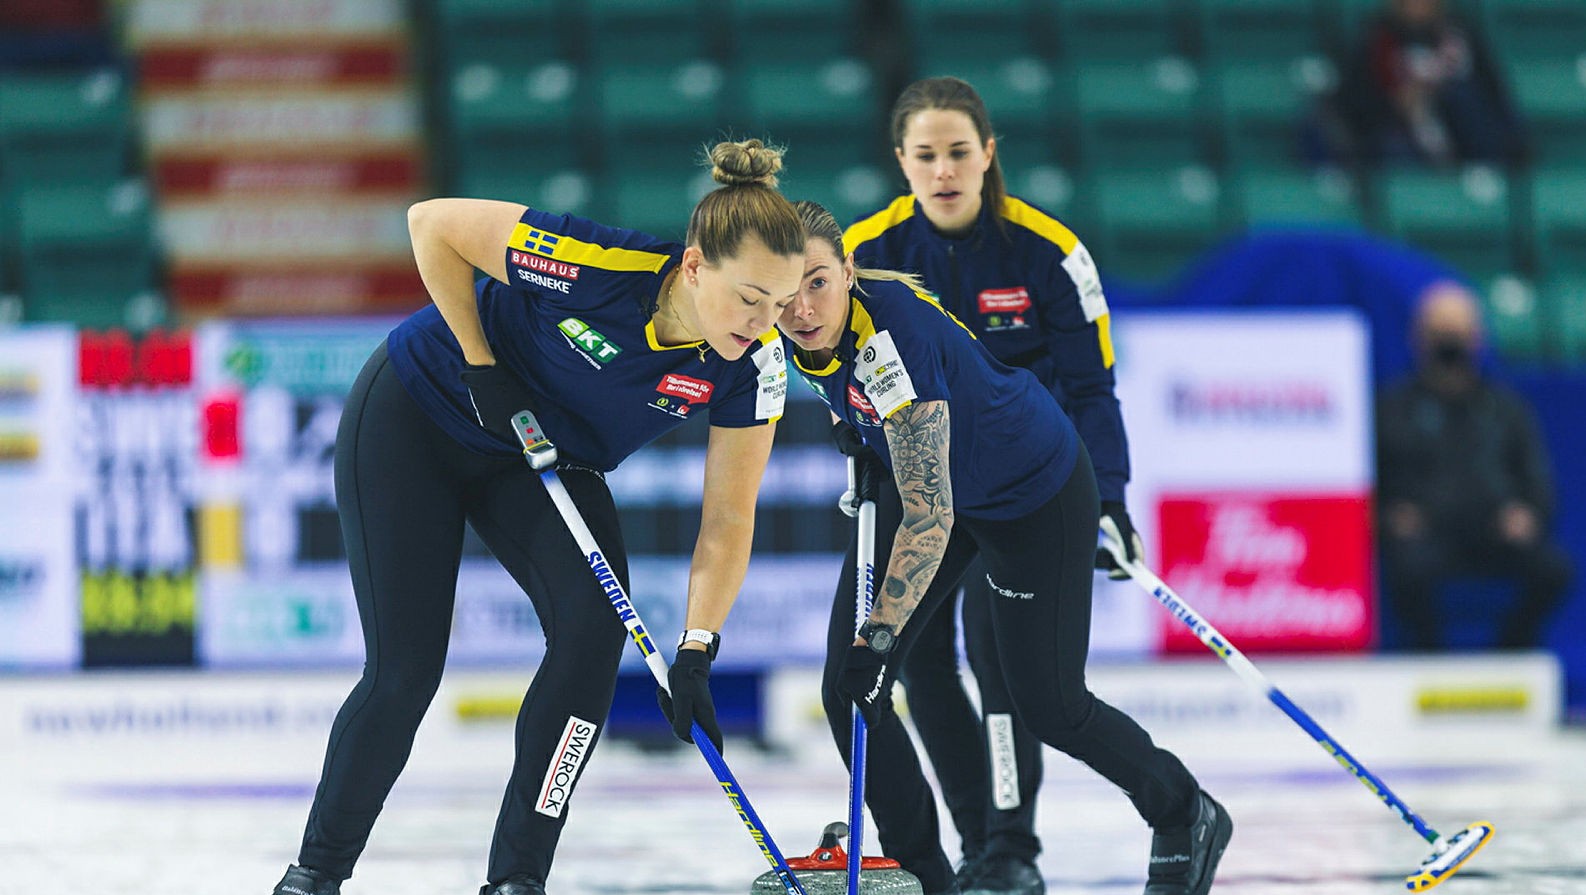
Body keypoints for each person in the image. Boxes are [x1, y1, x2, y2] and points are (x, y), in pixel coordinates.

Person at [268, 138, 805, 895]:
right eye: (749, 298)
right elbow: (433, 223)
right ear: (693, 266)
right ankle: (314, 873)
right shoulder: (600, 266)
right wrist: (480, 362)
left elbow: (727, 519)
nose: (763, 322)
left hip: (541, 459)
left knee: (593, 633)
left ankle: (517, 878)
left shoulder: (755, 365)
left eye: (780, 305)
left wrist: (697, 647)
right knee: (404, 671)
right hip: (419, 415)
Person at [770, 199, 1230, 895]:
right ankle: (924, 876)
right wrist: (858, 431)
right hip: (934, 478)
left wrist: (880, 636)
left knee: (1048, 704)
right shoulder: (783, 325)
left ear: (848, 272)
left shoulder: (892, 341)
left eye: (817, 283)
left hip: (1030, 494)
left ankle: (1183, 809)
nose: (802, 308)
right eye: (783, 291)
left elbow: (928, 516)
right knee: (849, 690)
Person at [836, 76, 1142, 895]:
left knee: (999, 656)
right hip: (923, 476)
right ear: (900, 161)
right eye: (925, 155)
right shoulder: (865, 252)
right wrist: (862, 450)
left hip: (1022, 479)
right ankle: (977, 840)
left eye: (958, 153)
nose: (943, 172)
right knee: (916, 656)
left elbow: (1091, 387)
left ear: (988, 155)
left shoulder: (1048, 252)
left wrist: (1108, 496)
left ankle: (1012, 845)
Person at [1377, 282, 1572, 651]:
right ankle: (1427, 654)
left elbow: (1537, 481)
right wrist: (1390, 515)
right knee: (1407, 569)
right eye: (1440, 334)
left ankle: (1512, 651)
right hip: (1425, 537)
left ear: (1477, 339)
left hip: (1494, 534)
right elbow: (1374, 483)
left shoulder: (1505, 409)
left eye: (1458, 334)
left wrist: (1528, 513)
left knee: (1554, 569)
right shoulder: (1392, 409)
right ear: (1419, 339)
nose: (1450, 346)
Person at [1334, 0, 1526, 167]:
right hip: (1401, 142)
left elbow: (1494, 98)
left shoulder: (1462, 35)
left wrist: (1439, 93)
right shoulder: (1376, 41)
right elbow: (1355, 106)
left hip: (1460, 139)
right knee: (1393, 150)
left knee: (1465, 99)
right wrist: (1398, 103)